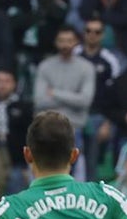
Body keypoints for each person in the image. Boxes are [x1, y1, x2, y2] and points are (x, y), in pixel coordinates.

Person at [33, 27, 95, 177]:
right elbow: (39, 100)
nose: (65, 45)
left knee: (72, 175)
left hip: (74, 128)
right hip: (46, 127)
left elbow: (85, 101)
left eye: (69, 40)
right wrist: (73, 98)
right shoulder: (45, 66)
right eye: (61, 41)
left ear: (76, 42)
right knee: (45, 173)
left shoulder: (86, 68)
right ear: (55, 42)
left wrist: (54, 93)